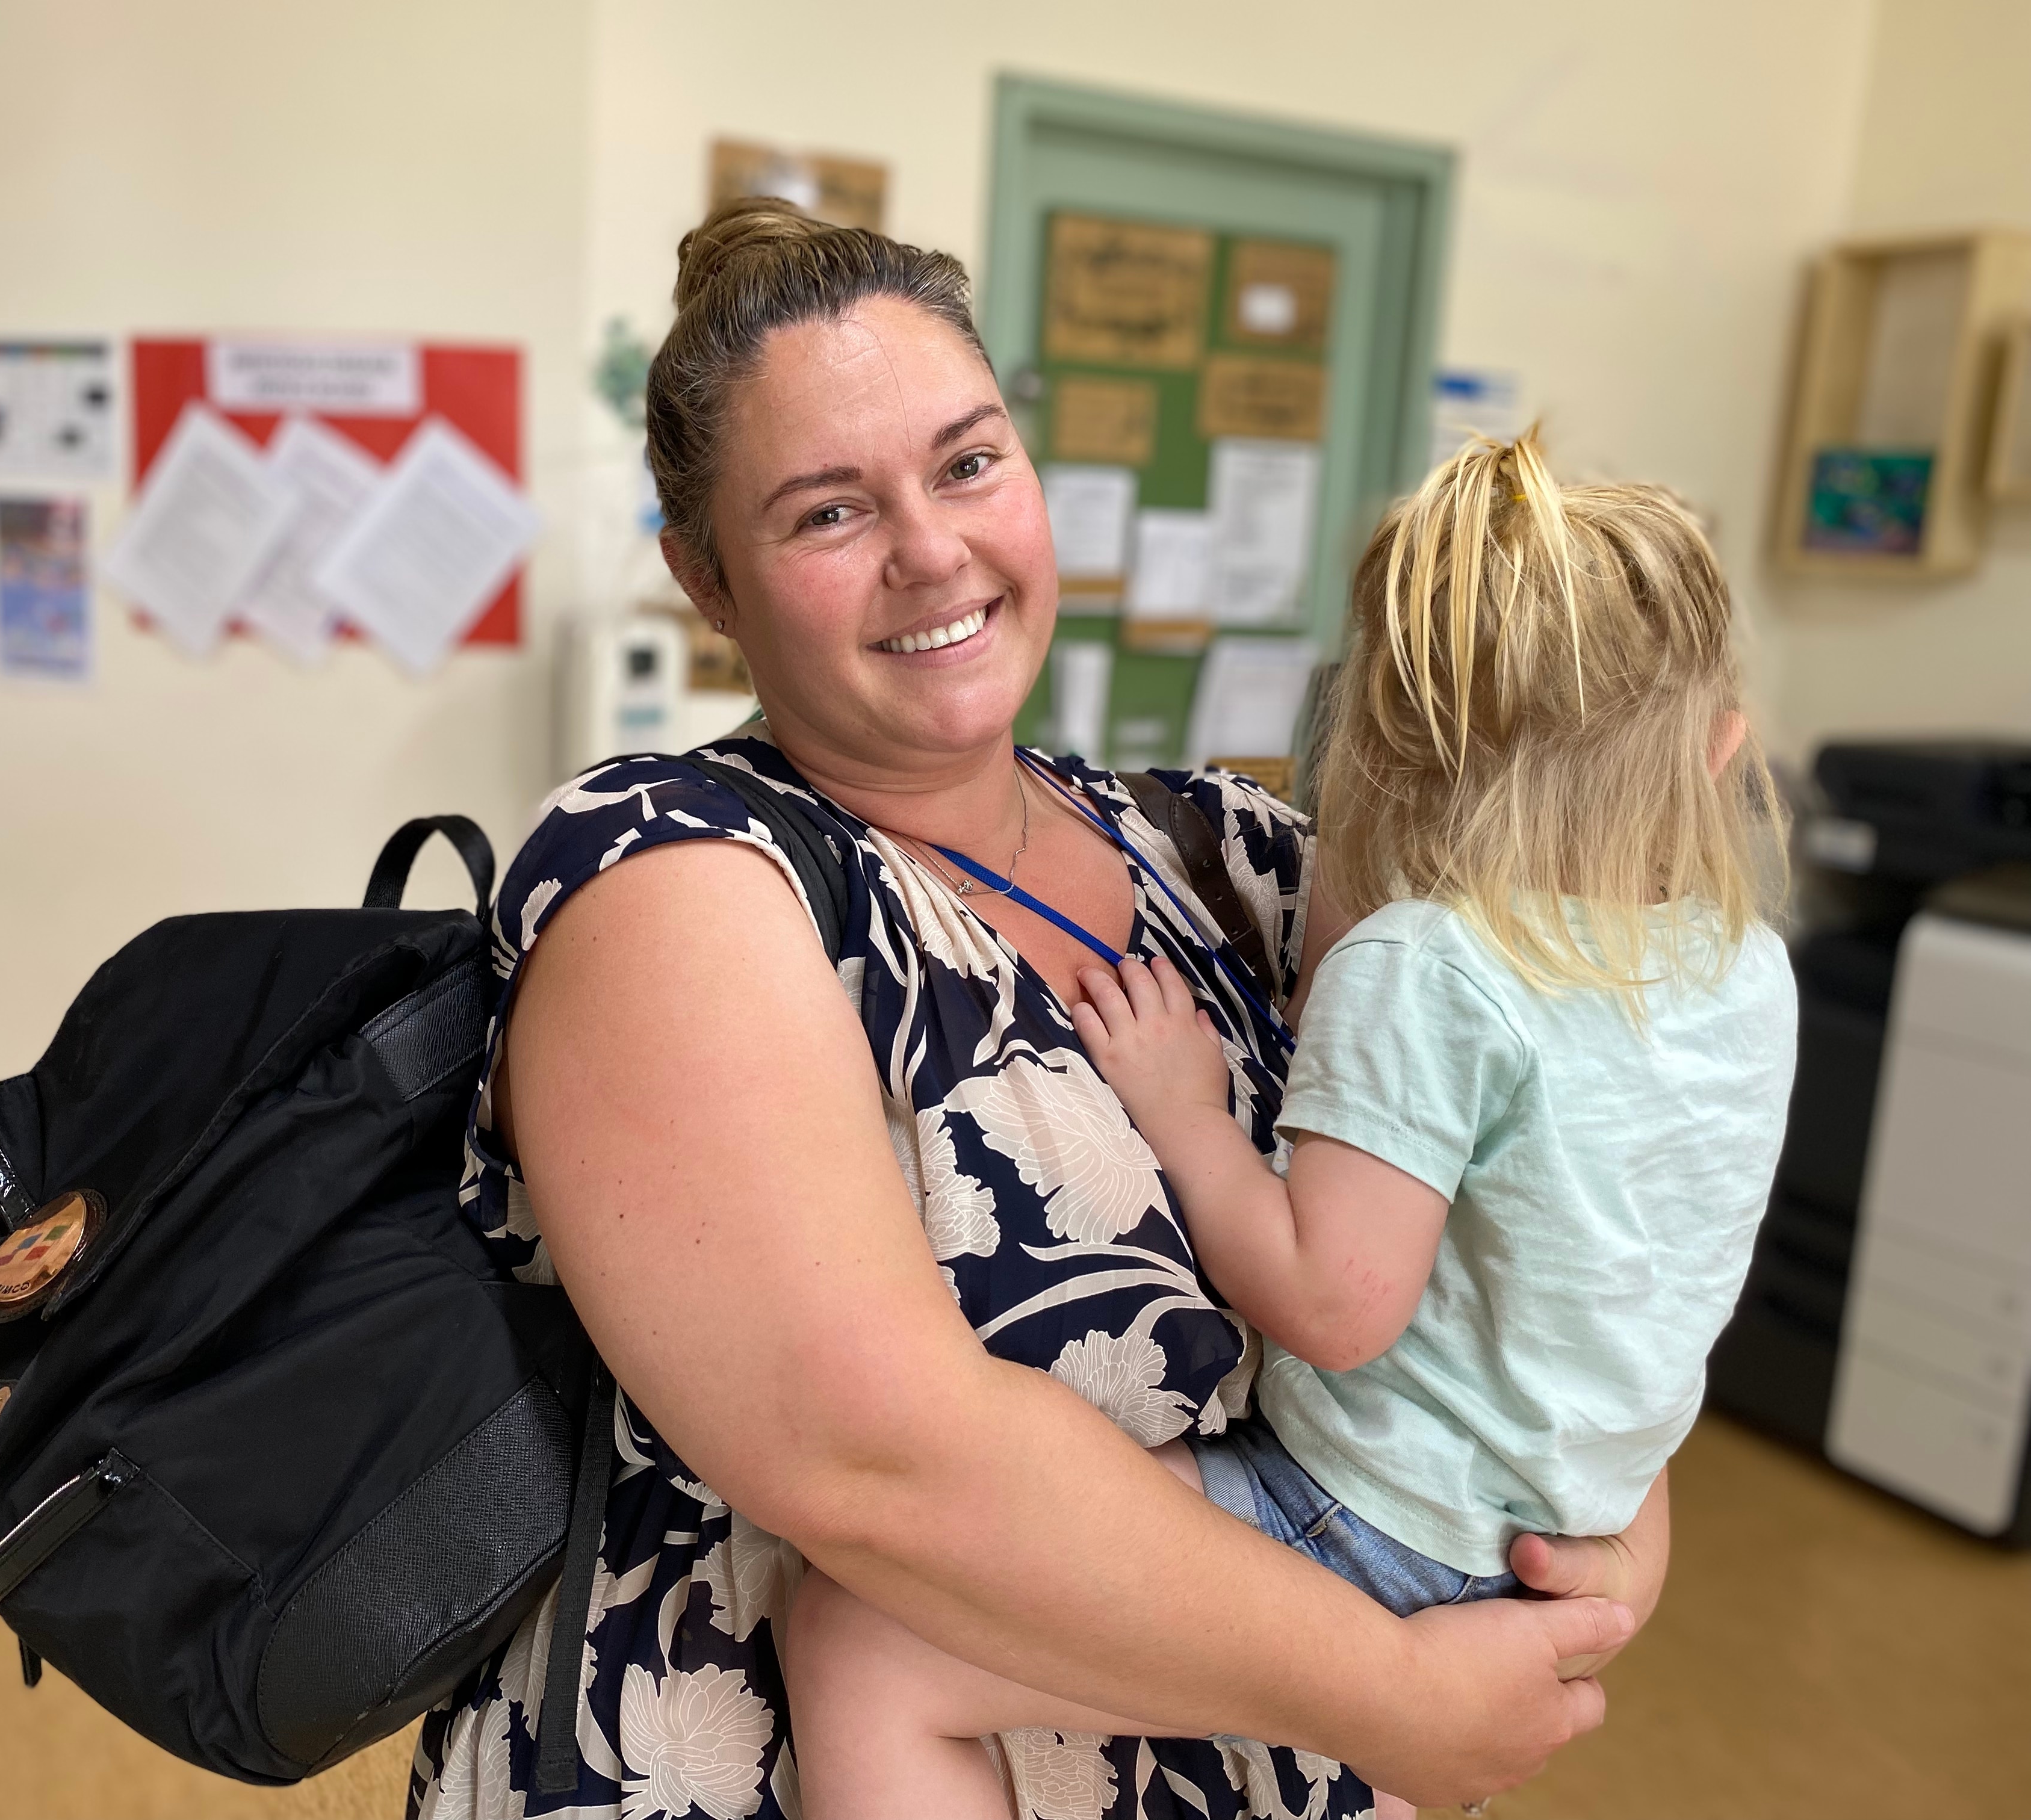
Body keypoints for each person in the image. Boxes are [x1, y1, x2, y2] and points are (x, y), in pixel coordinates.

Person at [410, 200, 1666, 1820]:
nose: (932, 551)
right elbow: (875, 1459)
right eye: (826, 513)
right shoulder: (675, 884)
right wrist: (1403, 1685)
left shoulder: (1241, 862)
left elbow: (1552, 1218)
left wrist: (1601, 1535)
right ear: (706, 582)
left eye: (969, 463)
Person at [781, 435, 1796, 1819]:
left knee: (861, 1647)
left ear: (1381, 741)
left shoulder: (1433, 965)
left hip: (1382, 1523)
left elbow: (1335, 1303)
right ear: (1722, 745)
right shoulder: (1741, 966)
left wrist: (1186, 1115)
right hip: (1567, 1524)